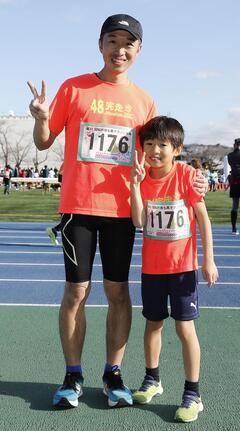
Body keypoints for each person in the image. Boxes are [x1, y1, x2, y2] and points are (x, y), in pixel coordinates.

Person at [27, 14, 207, 410]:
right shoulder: (74, 88)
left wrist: (194, 177)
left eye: (128, 43)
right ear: (100, 45)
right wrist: (41, 119)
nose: (119, 49)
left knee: (118, 293)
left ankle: (114, 374)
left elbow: (160, 155)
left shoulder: (144, 101)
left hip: (124, 211)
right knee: (76, 291)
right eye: (112, 41)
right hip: (78, 208)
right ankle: (72, 376)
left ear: (138, 50)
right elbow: (43, 143)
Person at [130, 116, 218, 422]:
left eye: (162, 145)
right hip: (152, 269)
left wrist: (208, 259)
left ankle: (193, 393)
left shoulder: (186, 176)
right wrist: (135, 185)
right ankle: (152, 379)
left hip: (182, 270)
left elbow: (203, 219)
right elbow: (139, 221)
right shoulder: (141, 177)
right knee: (153, 324)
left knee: (184, 328)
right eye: (149, 144)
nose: (154, 150)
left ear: (177, 149)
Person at [46, 162, 64, 245]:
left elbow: (60, 179)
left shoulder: (64, 165)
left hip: (67, 198)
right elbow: (61, 179)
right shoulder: (67, 164)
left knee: (69, 221)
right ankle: (54, 230)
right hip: (70, 200)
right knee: (73, 221)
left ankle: (54, 231)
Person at [227, 138, 240, 235]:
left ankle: (234, 228)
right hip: (236, 180)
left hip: (235, 182)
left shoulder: (230, 156)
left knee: (235, 206)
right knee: (234, 206)